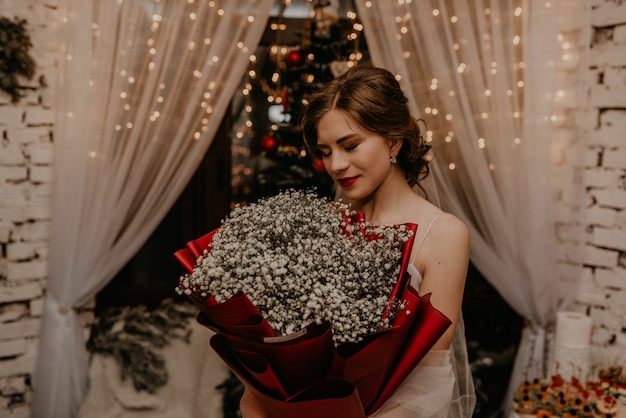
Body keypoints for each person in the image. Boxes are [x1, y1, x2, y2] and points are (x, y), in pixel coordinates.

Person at [239, 64, 476, 417]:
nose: (336, 164)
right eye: (325, 151)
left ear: (393, 140)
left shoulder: (443, 234)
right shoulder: (323, 225)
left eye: (350, 145)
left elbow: (429, 369)